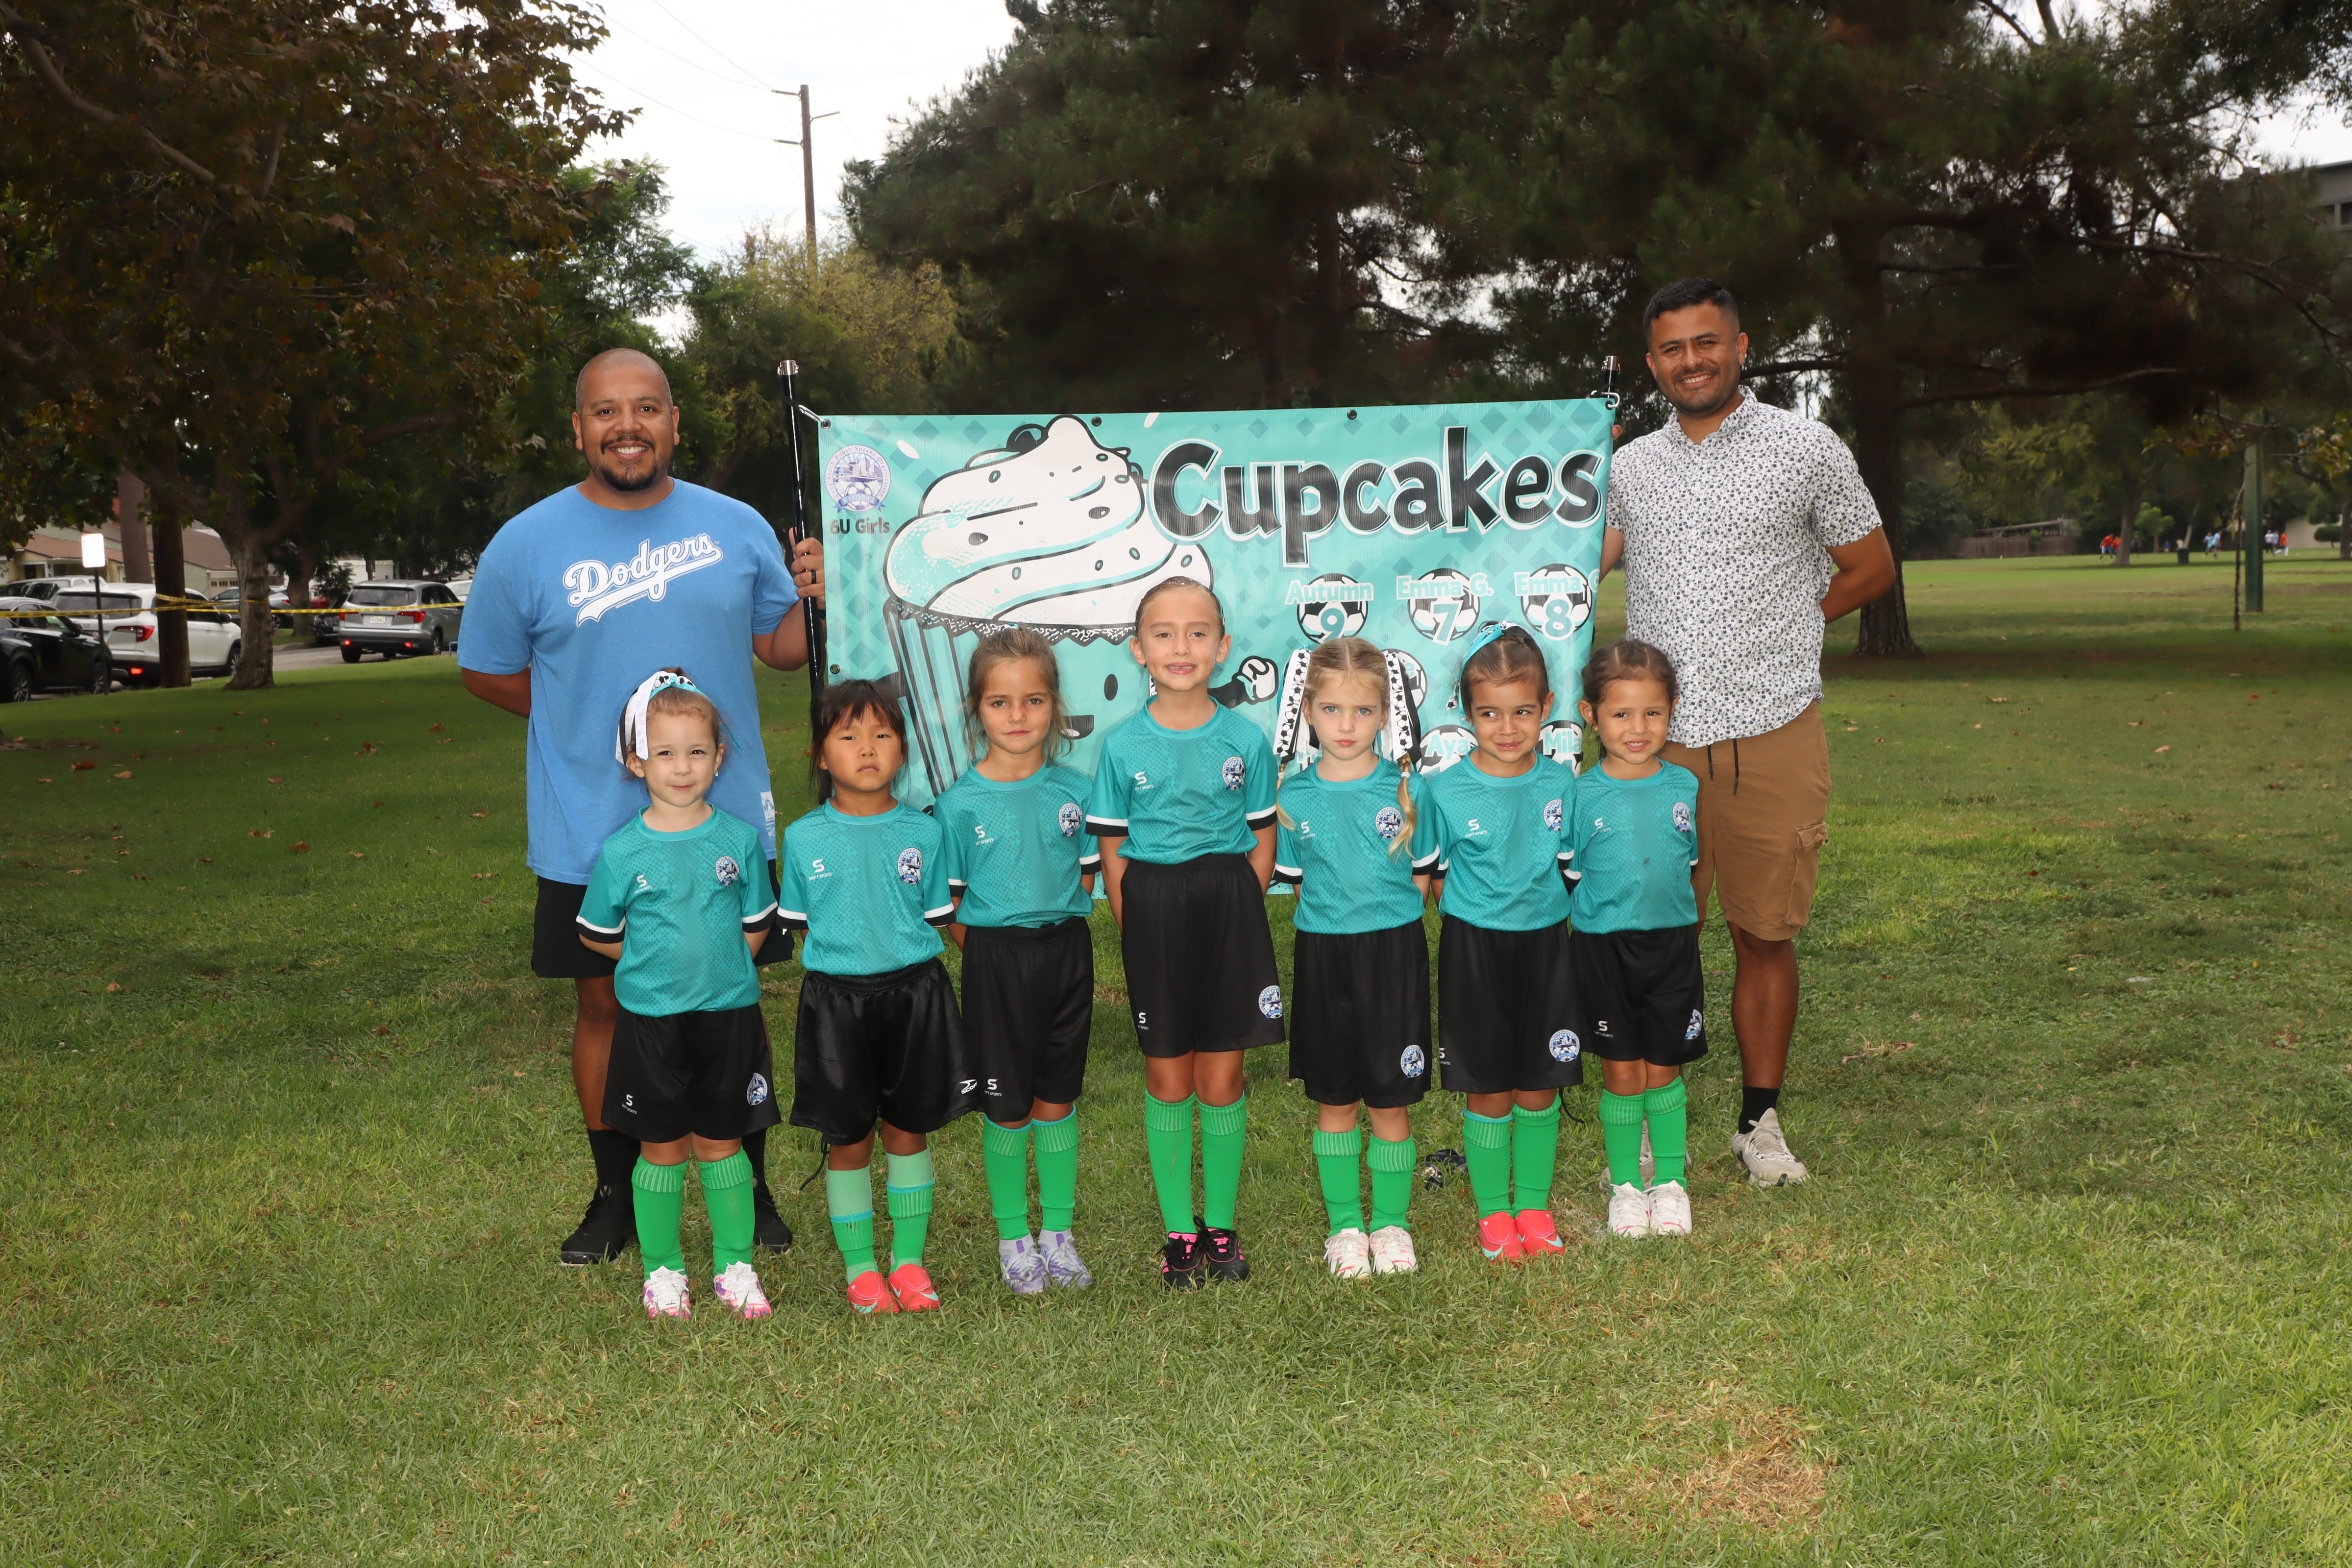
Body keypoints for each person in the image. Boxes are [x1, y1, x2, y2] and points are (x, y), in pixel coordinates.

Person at [461, 347, 825, 1266]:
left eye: (647, 408)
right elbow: (487, 668)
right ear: (578, 429)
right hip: (591, 826)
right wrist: (582, 721)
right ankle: (614, 1195)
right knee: (605, 1005)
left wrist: (816, 595)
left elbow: (783, 648)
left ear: (674, 422)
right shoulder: (526, 543)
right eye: (606, 411)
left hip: (721, 818)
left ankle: (750, 1184)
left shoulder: (734, 525)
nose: (628, 426)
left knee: (730, 998)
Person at [1600, 277, 1894, 1187]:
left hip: (1774, 727)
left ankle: (1757, 1123)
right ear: (1652, 363)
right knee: (1657, 934)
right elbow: (1569, 567)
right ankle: (1648, 1123)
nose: (1691, 361)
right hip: (1654, 746)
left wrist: (1797, 624)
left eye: (1707, 342)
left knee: (1765, 933)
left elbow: (1870, 565)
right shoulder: (1626, 469)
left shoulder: (1806, 448)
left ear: (1741, 346)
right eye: (1672, 349)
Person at [1087, 577, 1282, 1290]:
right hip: (1156, 907)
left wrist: (1241, 904)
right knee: (1169, 1076)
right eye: (1163, 633)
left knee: (1222, 1076)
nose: (1181, 646)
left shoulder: (1245, 739)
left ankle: (1221, 1226)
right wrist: (1134, 914)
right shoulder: (1121, 745)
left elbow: (1262, 836)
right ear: (1138, 649)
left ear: (1222, 647)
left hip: (1228, 904)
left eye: (1198, 633)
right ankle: (1178, 1232)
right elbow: (1113, 847)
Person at [574, 670, 781, 1320]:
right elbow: (597, 932)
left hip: (728, 1018)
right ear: (637, 762)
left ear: (719, 758)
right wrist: (650, 962)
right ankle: (663, 1272)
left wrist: (722, 967)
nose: (682, 767)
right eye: (664, 752)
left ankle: (735, 1267)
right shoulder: (622, 851)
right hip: (652, 1025)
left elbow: (756, 923)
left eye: (697, 751)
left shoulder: (739, 842)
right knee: (661, 1148)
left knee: (723, 1144)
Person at [780, 680, 975, 1315]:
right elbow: (804, 925)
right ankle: (861, 1269)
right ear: (820, 754)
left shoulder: (923, 832)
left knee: (908, 1130)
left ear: (903, 750)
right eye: (849, 736)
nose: (867, 748)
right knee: (850, 1139)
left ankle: (909, 1264)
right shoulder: (803, 838)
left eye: (882, 734)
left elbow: (936, 914)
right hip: (836, 1004)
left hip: (916, 997)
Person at [936, 629, 1100, 1296]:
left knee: (1057, 1098)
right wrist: (992, 951)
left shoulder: (1078, 792)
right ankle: (1013, 1238)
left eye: (1033, 700)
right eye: (1000, 702)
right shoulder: (958, 804)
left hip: (1066, 952)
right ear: (976, 710)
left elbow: (1085, 874)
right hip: (995, 959)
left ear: (1054, 705)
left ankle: (1058, 1233)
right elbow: (949, 904)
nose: (1018, 715)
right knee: (1006, 1106)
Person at [1270, 637, 1439, 1278]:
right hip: (1324, 956)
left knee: (1390, 1101)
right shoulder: (1294, 797)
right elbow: (1300, 884)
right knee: (1336, 1099)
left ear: (1385, 715)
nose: (1347, 725)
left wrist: (1382, 922)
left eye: (1364, 711)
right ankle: (1345, 1226)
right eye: (1333, 709)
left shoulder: (1407, 791)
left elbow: (1421, 879)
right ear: (1310, 711)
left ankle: (1391, 1225)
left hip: (1393, 956)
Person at [1424, 623, 1581, 1263]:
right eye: (1490, 713)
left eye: (1522, 712)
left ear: (1547, 707)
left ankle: (1534, 1208)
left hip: (1545, 946)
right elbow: (1436, 878)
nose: (1507, 728)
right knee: (1488, 1082)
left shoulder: (1562, 784)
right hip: (1475, 949)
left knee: (1541, 1081)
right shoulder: (1445, 790)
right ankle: (1494, 1214)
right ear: (1466, 713)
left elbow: (1570, 867)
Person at [1568, 641, 1706, 1241]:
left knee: (1664, 1067)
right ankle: (1626, 1186)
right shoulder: (1579, 795)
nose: (1638, 727)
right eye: (1621, 713)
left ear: (1672, 710)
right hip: (1604, 950)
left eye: (1653, 712)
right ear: (1591, 715)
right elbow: (1569, 876)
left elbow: (1689, 863)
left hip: (1671, 947)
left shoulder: (1685, 785)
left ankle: (1670, 1183)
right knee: (1623, 1070)